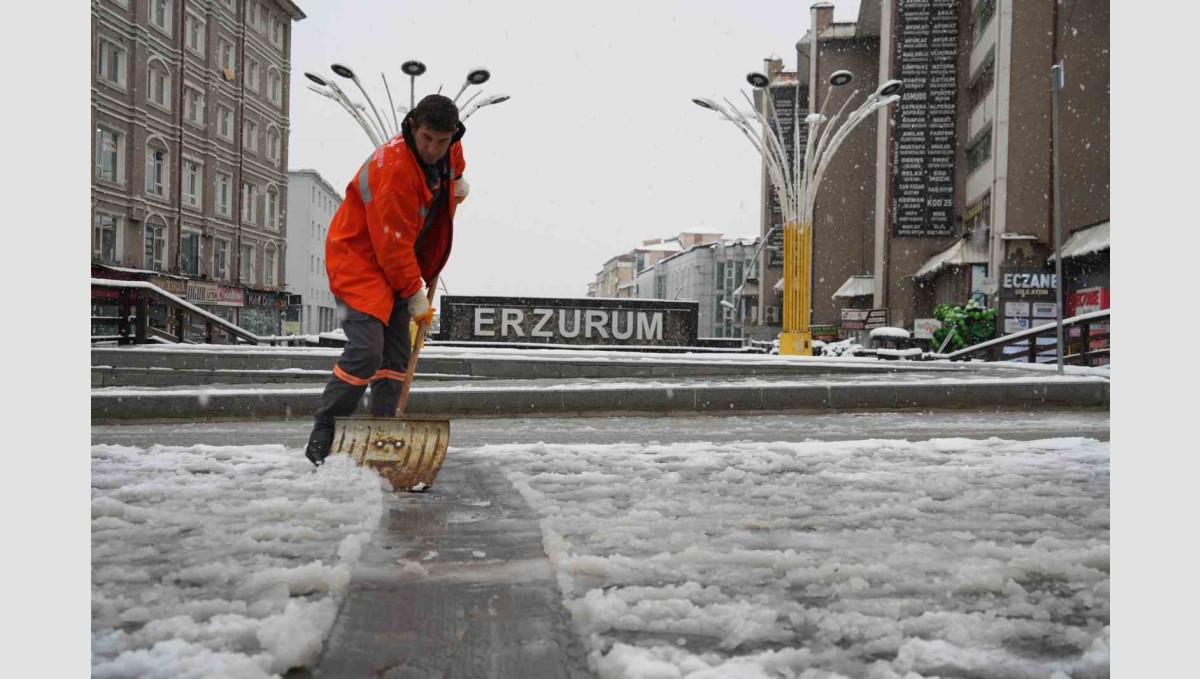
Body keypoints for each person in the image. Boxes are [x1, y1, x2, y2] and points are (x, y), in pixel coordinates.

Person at [305, 94, 470, 466]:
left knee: (396, 355)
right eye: (427, 138)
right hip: (359, 258)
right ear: (413, 126)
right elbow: (391, 246)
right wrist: (415, 294)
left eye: (442, 142)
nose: (433, 149)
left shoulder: (449, 147)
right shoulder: (395, 171)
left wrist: (458, 178)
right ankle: (326, 426)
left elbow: (454, 158)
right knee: (366, 350)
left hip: (398, 259)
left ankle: (384, 430)